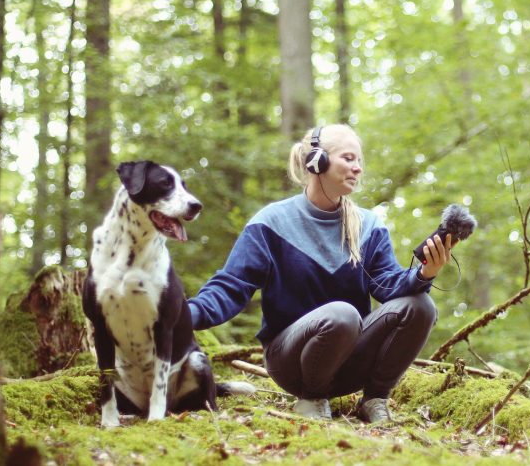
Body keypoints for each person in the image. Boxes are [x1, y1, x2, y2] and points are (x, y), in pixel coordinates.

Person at [186, 124, 454, 423]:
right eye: (349, 158)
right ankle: (312, 399)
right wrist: (182, 315)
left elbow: (388, 286)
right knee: (343, 313)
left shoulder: (369, 225)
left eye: (360, 161)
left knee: (421, 305)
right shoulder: (272, 222)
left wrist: (425, 273)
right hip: (290, 364)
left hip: (349, 365)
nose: (357, 168)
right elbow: (231, 286)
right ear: (317, 161)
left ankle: (375, 399)